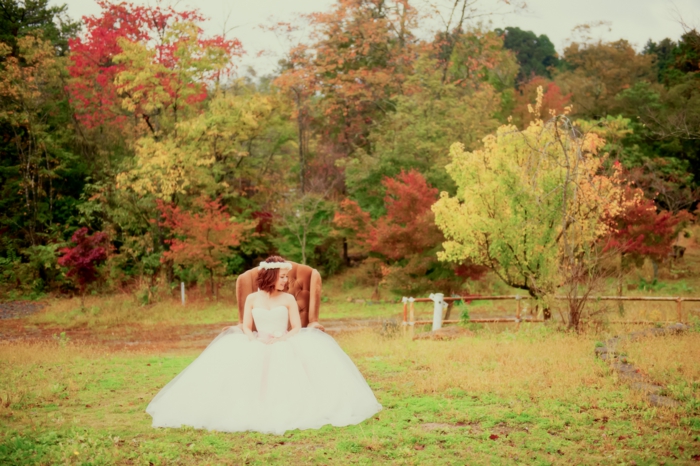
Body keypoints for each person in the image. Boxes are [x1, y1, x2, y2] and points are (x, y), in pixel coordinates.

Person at [146, 255, 382, 435]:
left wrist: (282, 339)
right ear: (271, 277)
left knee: (287, 366)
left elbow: (298, 328)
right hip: (257, 341)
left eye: (287, 277)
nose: (286, 281)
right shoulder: (252, 298)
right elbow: (247, 326)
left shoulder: (289, 299)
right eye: (282, 277)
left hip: (284, 341)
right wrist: (252, 339)